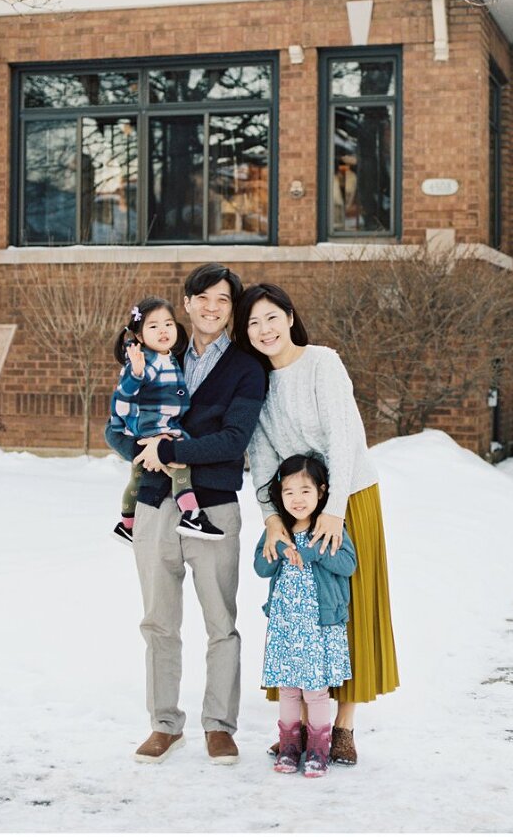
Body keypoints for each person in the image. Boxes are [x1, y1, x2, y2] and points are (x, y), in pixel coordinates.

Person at [233, 282, 399, 767]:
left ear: (289, 315)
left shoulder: (323, 362)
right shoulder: (258, 381)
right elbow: (261, 453)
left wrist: (336, 509)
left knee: (345, 610)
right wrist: (270, 517)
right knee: (298, 616)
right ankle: (302, 723)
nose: (264, 330)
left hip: (349, 498)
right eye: (252, 323)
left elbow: (342, 437)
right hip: (296, 506)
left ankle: (342, 728)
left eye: (270, 317)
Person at [129, 263, 267, 766]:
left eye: (223, 300)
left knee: (220, 622)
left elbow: (235, 439)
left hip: (213, 506)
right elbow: (123, 419)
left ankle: (219, 726)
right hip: (153, 505)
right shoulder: (155, 350)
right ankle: (164, 723)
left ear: (233, 309)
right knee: (159, 622)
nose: (211, 307)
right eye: (202, 297)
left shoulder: (246, 369)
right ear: (185, 301)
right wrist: (134, 445)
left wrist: (170, 450)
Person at [254, 453, 357, 778]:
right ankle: (288, 747)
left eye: (305, 491)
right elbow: (260, 567)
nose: (297, 499)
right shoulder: (278, 530)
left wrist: (313, 552)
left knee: (315, 691)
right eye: (289, 492)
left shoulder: (329, 529)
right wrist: (279, 550)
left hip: (319, 628)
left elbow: (347, 565)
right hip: (286, 626)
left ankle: (317, 750)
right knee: (287, 689)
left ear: (322, 492)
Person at [105, 296, 225, 543]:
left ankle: (127, 525)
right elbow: (123, 399)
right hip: (153, 432)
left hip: (162, 428)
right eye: (153, 326)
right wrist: (135, 375)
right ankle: (191, 515)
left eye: (168, 324)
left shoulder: (168, 357)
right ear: (139, 335)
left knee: (137, 478)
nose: (163, 330)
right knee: (181, 467)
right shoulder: (143, 362)